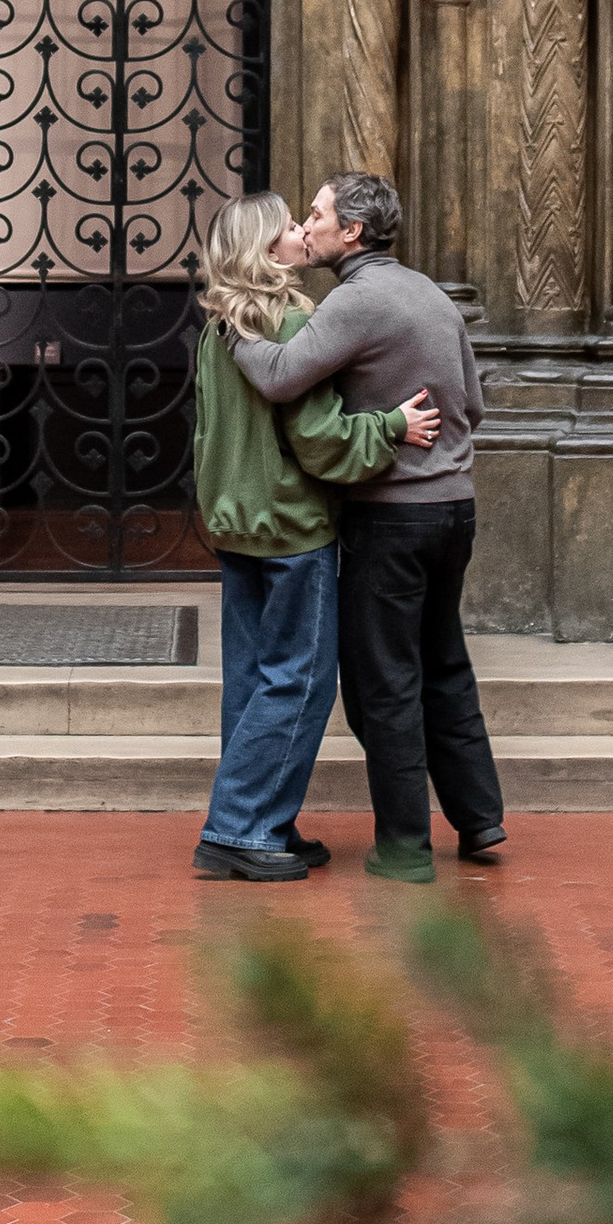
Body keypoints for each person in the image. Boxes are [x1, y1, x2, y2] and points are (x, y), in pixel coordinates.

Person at [229, 172, 501, 885]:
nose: (308, 225)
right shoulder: (430, 293)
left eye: (315, 214)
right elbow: (471, 402)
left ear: (352, 231)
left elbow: (285, 376)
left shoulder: (356, 300)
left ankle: (406, 849)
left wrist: (238, 334)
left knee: (385, 686)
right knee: (445, 665)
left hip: (392, 518)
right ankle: (479, 818)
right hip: (455, 508)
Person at [191, 193, 440, 885]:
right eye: (290, 227)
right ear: (271, 250)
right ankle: (239, 828)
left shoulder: (221, 326)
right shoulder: (293, 318)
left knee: (250, 683)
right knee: (298, 681)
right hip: (291, 528)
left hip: (236, 525)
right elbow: (321, 443)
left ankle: (263, 822)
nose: (303, 232)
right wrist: (391, 428)